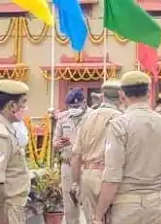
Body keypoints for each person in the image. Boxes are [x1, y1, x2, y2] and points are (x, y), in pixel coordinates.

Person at [93, 71, 161, 224]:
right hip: (154, 206)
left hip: (125, 207)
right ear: (149, 93)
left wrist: (98, 214)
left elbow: (112, 176)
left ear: (122, 95)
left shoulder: (119, 126)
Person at [70, 80, 123, 224]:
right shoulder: (121, 119)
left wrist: (75, 182)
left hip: (87, 175)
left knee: (92, 220)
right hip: (110, 177)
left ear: (102, 96)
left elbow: (76, 155)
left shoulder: (87, 117)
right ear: (121, 96)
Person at [54, 89, 91, 224]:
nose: (73, 109)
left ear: (84, 102)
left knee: (89, 205)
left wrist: (76, 143)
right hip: (68, 166)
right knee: (70, 206)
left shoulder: (93, 117)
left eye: (76, 106)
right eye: (70, 107)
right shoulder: (63, 118)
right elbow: (55, 142)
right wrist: (58, 144)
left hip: (86, 167)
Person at [0, 80, 30, 224]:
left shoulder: (9, 128)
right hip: (8, 208)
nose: (25, 107)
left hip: (13, 205)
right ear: (12, 105)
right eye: (23, 103)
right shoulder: (2, 134)